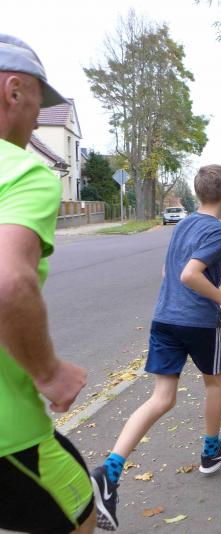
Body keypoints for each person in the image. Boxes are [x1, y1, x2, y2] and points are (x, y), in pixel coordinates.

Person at [90, 165, 221, 531]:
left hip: (164, 318)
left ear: (198, 192)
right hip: (198, 322)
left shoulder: (183, 224)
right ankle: (211, 452)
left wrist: (217, 274)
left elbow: (170, 272)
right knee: (215, 382)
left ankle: (109, 472)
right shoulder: (220, 231)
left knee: (161, 397)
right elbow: (189, 274)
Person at [0, 34, 97, 534]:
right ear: (13, 91)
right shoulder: (23, 173)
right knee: (81, 509)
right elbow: (8, 282)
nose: (39, 120)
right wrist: (49, 372)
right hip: (9, 432)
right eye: (39, 104)